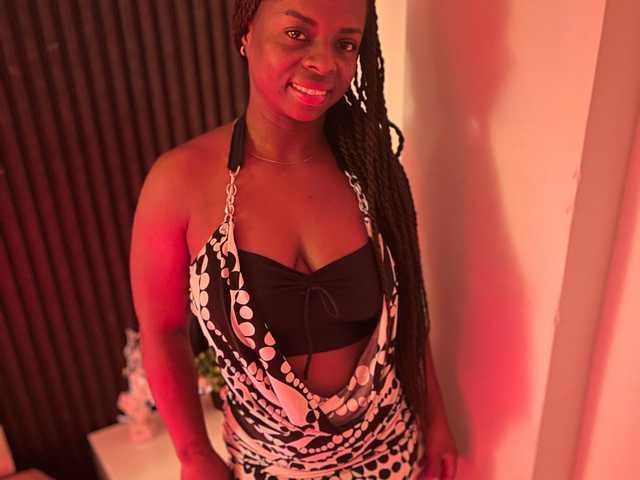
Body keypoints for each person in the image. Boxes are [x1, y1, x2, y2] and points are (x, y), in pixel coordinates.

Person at [130, 0, 457, 478]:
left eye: (345, 44)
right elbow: (162, 330)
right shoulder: (178, 183)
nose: (324, 63)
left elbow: (409, 312)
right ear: (246, 32)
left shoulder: (370, 168)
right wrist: (193, 454)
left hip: (390, 456)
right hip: (266, 466)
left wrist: (437, 418)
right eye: (297, 34)